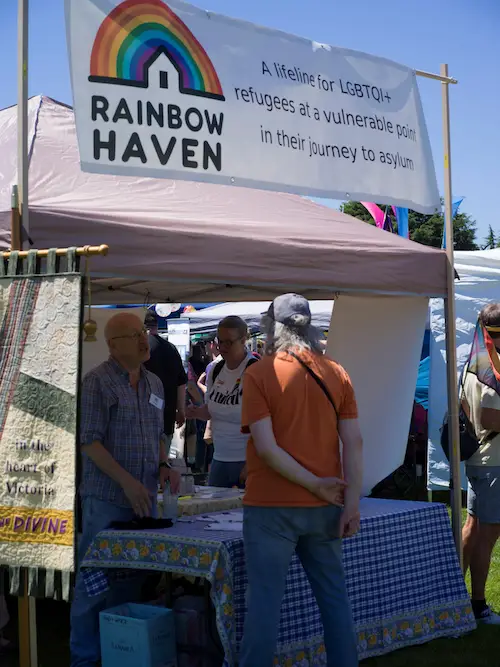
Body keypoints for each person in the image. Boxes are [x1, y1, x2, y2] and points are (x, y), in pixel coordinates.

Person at [239, 294, 362, 667]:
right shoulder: (337, 372)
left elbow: (267, 449)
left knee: (263, 605)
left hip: (271, 507)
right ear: (308, 327)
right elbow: (354, 442)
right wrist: (350, 503)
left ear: (270, 327)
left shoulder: (259, 373)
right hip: (325, 505)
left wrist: (316, 485)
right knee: (334, 601)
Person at [70, 312, 180, 667]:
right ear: (113, 345)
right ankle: (85, 659)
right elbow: (89, 443)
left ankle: (121, 654)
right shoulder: (97, 383)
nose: (144, 339)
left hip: (143, 500)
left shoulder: (156, 384)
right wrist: (128, 482)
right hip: (107, 500)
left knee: (130, 583)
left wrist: (164, 464)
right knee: (94, 585)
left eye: (143, 332)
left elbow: (157, 435)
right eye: (134, 335)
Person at [462, 303, 500, 624]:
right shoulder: (491, 367)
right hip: (493, 462)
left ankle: (455, 595)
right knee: (487, 534)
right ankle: (477, 606)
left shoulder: (472, 362)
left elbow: (465, 406)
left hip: (479, 458)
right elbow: (490, 416)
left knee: (473, 528)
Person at [187, 316, 257, 488]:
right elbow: (212, 409)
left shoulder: (254, 371)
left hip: (246, 459)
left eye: (229, 342)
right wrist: (195, 412)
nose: (223, 347)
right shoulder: (216, 369)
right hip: (220, 458)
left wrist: (253, 463)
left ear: (243, 340)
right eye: (220, 341)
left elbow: (266, 421)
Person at [143, 310, 187, 450]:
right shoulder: (172, 349)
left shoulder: (141, 349)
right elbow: (181, 383)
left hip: (144, 419)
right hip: (167, 418)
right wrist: (181, 410)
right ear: (157, 325)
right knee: (163, 465)